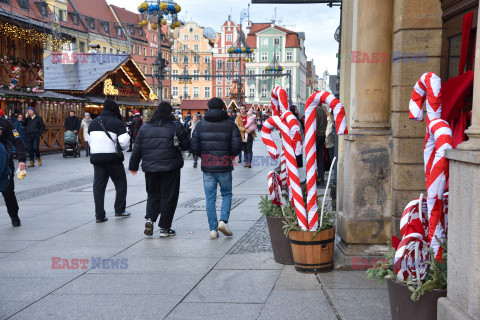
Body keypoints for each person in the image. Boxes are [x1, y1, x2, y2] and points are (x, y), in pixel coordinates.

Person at [129, 102, 190, 238]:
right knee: (169, 196)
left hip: (151, 168)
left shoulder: (145, 127)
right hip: (171, 167)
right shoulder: (175, 125)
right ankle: (164, 228)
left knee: (153, 194)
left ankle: (150, 219)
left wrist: (133, 166)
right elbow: (186, 145)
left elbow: (137, 148)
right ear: (169, 113)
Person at [190, 98, 242, 239]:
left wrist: (203, 156)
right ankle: (223, 221)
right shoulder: (230, 124)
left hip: (208, 166)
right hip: (224, 165)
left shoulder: (200, 124)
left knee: (210, 198)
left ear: (208, 107)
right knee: (226, 194)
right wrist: (229, 156)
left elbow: (194, 145)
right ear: (223, 108)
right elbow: (237, 145)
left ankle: (213, 229)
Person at [88, 99, 131, 223]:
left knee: (98, 187)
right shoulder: (117, 123)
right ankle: (119, 209)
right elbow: (124, 141)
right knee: (120, 183)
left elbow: (90, 141)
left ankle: (99, 215)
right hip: (113, 159)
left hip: (97, 158)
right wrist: (120, 148)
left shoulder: (93, 123)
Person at [0, 115, 27, 226]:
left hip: (4, 163)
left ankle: (14, 215)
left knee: (8, 192)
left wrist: (21, 160)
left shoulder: (5, 123)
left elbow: (17, 141)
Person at [316, 104, 328, 187]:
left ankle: (313, 177)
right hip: (322, 134)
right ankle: (321, 177)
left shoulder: (316, 109)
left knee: (312, 156)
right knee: (320, 157)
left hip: (316, 135)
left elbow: (315, 123)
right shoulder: (323, 110)